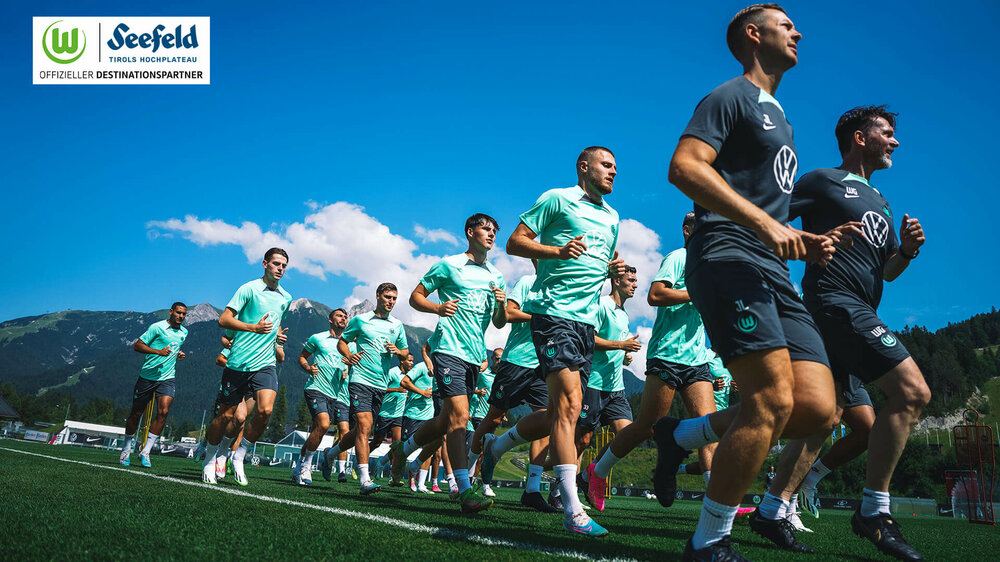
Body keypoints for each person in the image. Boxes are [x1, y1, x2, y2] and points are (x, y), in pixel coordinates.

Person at [657, 5, 862, 558]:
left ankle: (680, 437)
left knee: (820, 409)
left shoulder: (784, 118)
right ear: (754, 35)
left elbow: (765, 201)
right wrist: (769, 224)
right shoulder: (730, 96)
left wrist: (802, 236)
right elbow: (685, 168)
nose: (798, 32)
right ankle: (710, 541)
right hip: (726, 254)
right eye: (785, 24)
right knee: (768, 398)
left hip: (772, 268)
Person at [788, 105, 928, 560]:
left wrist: (905, 252)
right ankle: (874, 510)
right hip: (834, 303)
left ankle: (771, 505)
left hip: (857, 307)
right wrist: (810, 246)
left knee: (820, 418)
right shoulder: (821, 180)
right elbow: (769, 216)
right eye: (887, 133)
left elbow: (888, 273)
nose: (896, 141)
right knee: (912, 392)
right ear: (860, 138)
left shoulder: (882, 202)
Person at [482, 146, 626, 537]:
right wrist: (556, 251)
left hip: (586, 325)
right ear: (584, 166)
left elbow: (599, 258)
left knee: (560, 413)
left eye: (616, 167)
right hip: (553, 315)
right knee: (571, 406)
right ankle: (572, 510)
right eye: (606, 165)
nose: (614, 171)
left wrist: (610, 267)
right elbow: (515, 242)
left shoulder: (613, 217)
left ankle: (496, 448)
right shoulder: (556, 198)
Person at [586, 214, 720, 512]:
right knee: (646, 427)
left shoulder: (709, 266)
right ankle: (597, 472)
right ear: (688, 230)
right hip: (667, 356)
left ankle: (717, 502)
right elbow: (655, 295)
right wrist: (694, 293)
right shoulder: (679, 257)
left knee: (709, 428)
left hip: (697, 358)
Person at [392, 213, 507, 514]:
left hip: (474, 357)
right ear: (470, 232)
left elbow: (498, 322)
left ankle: (400, 452)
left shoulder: (496, 275)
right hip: (447, 350)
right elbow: (416, 298)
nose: (492, 234)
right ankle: (462, 489)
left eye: (495, 230)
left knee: (446, 421)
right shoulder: (449, 265)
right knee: (460, 416)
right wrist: (438, 308)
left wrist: (501, 305)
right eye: (486, 229)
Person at [467, 264, 560, 513]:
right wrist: (539, 318)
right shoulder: (527, 282)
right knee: (493, 419)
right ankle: (466, 478)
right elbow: (509, 312)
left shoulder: (560, 289)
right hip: (516, 362)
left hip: (543, 366)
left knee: (545, 424)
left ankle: (531, 490)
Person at [202, 248, 292, 486]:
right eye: (276, 263)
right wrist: (253, 328)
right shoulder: (248, 289)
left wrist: (277, 340)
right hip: (239, 362)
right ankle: (210, 457)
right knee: (226, 416)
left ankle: (238, 455)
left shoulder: (286, 297)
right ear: (264, 264)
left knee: (265, 412)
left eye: (284, 265)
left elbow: (274, 328)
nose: (280, 268)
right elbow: (224, 320)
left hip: (265, 363)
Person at [324, 283, 409, 495]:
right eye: (387, 297)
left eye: (394, 298)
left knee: (362, 430)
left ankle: (331, 453)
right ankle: (364, 479)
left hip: (381, 385)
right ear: (378, 296)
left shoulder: (397, 325)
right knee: (364, 425)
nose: (391, 301)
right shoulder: (360, 321)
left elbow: (405, 352)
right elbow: (342, 342)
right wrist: (348, 356)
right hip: (360, 380)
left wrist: (398, 351)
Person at [576, 266, 640, 508]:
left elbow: (615, 347)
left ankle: (588, 475)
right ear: (616, 280)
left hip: (616, 387)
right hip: (592, 384)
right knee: (581, 442)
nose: (635, 284)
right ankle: (563, 490)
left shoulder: (624, 314)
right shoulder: (602, 305)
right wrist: (619, 344)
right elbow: (588, 339)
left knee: (628, 434)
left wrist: (624, 354)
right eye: (630, 280)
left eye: (636, 280)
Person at [120, 302, 188, 467]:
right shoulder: (156, 328)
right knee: (136, 414)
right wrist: (158, 352)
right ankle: (126, 448)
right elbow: (138, 345)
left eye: (184, 314)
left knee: (163, 412)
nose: (181, 316)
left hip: (167, 378)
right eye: (178, 313)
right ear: (171, 312)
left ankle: (146, 452)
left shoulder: (184, 332)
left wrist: (178, 353)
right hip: (147, 377)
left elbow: (173, 347)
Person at [294, 308, 351, 485]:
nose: (343, 319)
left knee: (317, 431)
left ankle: (297, 468)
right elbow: (302, 357)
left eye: (345, 316)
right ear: (330, 319)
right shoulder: (317, 338)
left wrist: (346, 371)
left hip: (334, 394)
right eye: (340, 316)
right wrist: (308, 368)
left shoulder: (349, 344)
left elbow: (350, 364)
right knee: (324, 424)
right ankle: (307, 467)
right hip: (315, 388)